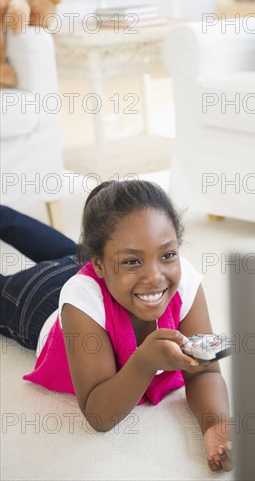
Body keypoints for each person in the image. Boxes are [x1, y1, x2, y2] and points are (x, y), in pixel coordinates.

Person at [0, 181, 232, 472]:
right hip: (40, 301)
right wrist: (145, 361)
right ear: (97, 265)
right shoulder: (82, 300)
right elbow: (98, 415)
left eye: (167, 255)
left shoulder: (182, 281)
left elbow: (204, 370)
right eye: (134, 260)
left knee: (74, 253)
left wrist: (214, 424)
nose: (156, 276)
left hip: (107, 276)